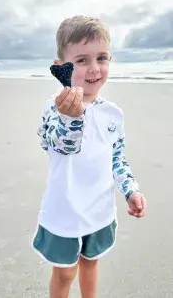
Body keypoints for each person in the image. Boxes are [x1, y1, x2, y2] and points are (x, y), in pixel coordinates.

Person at [33, 15, 147, 298]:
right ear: (61, 68)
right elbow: (58, 145)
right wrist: (72, 117)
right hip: (65, 211)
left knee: (91, 262)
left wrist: (130, 189)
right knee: (64, 272)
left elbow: (117, 157)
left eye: (102, 58)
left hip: (99, 208)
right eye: (82, 60)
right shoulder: (54, 106)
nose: (94, 68)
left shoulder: (113, 114)